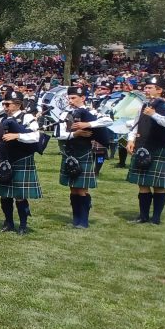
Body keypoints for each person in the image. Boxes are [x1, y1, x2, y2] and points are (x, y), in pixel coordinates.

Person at [56, 86, 111, 229]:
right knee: (73, 188)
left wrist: (88, 124)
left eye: (74, 98)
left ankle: (84, 220)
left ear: (83, 98)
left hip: (84, 152)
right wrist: (75, 134)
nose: (70, 100)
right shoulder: (65, 113)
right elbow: (59, 134)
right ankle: (76, 219)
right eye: (69, 98)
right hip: (69, 152)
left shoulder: (92, 112)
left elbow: (108, 121)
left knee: (81, 189)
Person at [0, 90, 43, 234]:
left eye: (8, 104)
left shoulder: (27, 117)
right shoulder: (1, 120)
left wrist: (17, 135)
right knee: (5, 195)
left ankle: (23, 225)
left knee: (20, 196)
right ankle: (8, 222)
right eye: (4, 104)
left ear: (18, 104)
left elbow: (36, 136)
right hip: (4, 161)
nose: (5, 107)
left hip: (21, 160)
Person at [127, 76, 165, 225]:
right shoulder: (144, 105)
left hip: (158, 147)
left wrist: (154, 115)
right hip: (142, 146)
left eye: (149, 88)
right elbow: (135, 124)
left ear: (159, 90)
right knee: (142, 183)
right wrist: (131, 139)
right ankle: (143, 216)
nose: (146, 90)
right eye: (146, 87)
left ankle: (156, 218)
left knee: (158, 186)